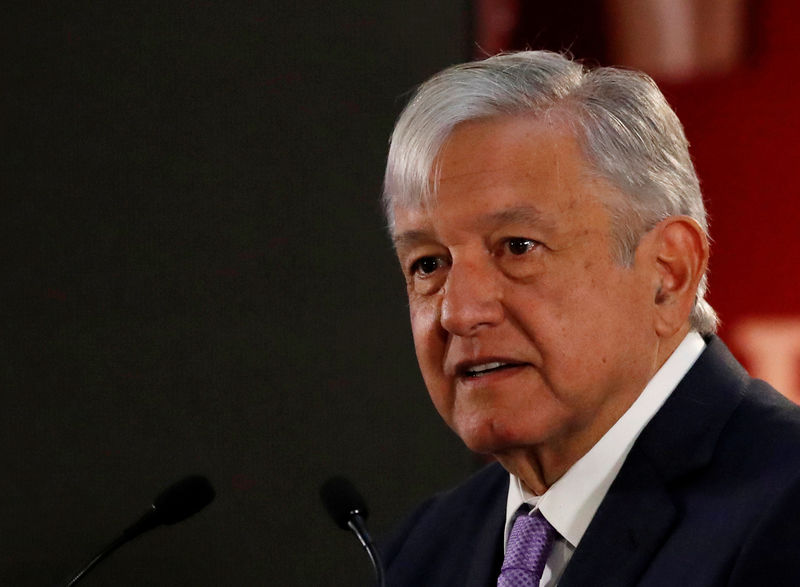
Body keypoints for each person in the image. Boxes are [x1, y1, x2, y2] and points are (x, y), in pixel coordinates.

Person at [379, 50, 800, 586]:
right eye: (428, 264)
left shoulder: (786, 512)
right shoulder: (425, 550)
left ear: (668, 273)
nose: (460, 313)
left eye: (518, 246)